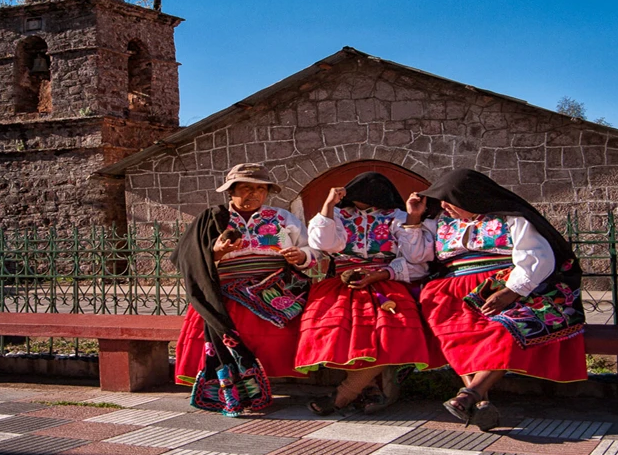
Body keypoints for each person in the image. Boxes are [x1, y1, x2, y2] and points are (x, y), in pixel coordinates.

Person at [415, 169, 586, 431]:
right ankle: (477, 398)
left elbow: (537, 257)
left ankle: (469, 394)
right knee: (453, 332)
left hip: (505, 286)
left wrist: (511, 291)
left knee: (503, 330)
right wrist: (414, 218)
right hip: (452, 291)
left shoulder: (511, 219)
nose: (444, 206)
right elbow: (418, 257)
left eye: (449, 200)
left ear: (469, 198)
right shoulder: (440, 223)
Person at [171, 163, 318, 416]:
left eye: (261, 190)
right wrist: (217, 252)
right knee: (234, 322)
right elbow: (189, 259)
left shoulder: (284, 219)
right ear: (230, 191)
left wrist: (301, 256)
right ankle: (238, 387)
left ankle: (262, 380)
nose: (255, 195)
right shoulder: (213, 220)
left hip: (276, 291)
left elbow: (312, 252)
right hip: (225, 292)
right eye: (247, 188)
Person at [296, 172, 443, 415]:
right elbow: (322, 243)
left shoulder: (398, 217)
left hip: (387, 282)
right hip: (344, 283)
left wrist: (413, 219)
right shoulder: (339, 216)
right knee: (342, 334)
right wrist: (328, 206)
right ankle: (370, 388)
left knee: (389, 334)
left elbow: (417, 259)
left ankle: (344, 393)